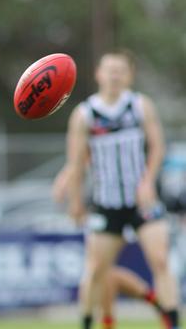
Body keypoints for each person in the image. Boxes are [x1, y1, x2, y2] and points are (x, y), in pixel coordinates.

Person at [64, 49, 180, 329]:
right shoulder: (85, 114)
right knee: (95, 271)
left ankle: (173, 322)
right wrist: (76, 201)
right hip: (106, 203)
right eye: (109, 70)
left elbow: (157, 147)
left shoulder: (140, 106)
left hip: (142, 201)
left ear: (129, 75)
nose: (115, 76)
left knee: (161, 260)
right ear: (98, 74)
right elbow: (76, 163)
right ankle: (87, 322)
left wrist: (148, 181)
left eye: (120, 70)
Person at [53, 164, 167, 329]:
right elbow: (78, 160)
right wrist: (65, 182)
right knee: (102, 273)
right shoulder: (95, 151)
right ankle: (151, 305)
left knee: (105, 273)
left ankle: (156, 304)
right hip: (102, 213)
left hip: (128, 211)